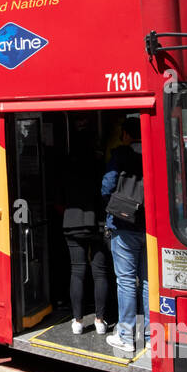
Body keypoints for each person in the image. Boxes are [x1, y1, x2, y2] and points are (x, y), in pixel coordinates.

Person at [102, 117, 147, 354]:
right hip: (149, 227)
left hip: (124, 223)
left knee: (126, 281)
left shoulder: (120, 155)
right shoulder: (152, 151)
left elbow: (107, 186)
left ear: (127, 135)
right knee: (148, 282)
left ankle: (126, 336)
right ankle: (150, 336)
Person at [64, 117, 111, 336]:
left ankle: (77, 321)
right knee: (100, 273)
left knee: (77, 271)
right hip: (98, 224)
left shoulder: (68, 165)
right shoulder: (100, 164)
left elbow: (60, 195)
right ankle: (100, 321)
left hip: (72, 223)